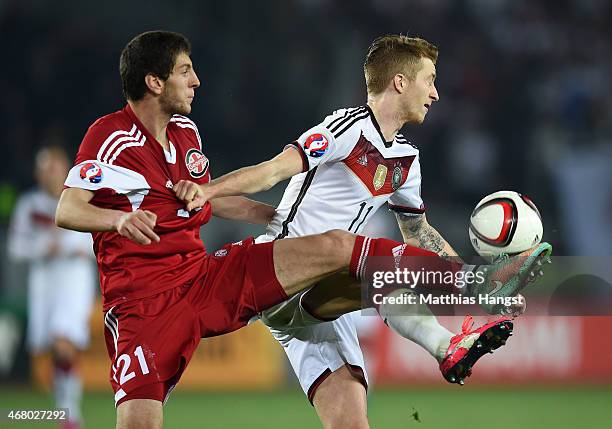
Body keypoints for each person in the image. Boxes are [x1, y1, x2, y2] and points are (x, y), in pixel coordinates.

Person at [55, 31, 550, 429]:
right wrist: (124, 216)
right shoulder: (343, 128)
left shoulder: (407, 163)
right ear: (400, 82)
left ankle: (450, 340)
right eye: (430, 80)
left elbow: (415, 233)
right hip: (255, 276)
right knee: (355, 256)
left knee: (353, 416)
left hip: (260, 283)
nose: (437, 92)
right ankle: (472, 289)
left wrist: (245, 208)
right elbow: (273, 169)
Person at [8, 145, 96, 429]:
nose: (51, 174)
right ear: (38, 173)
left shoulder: (81, 199)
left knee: (62, 341)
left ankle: (69, 414)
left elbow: (99, 240)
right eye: (46, 169)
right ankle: (66, 410)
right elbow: (16, 248)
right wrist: (44, 248)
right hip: (44, 282)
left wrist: (84, 251)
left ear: (65, 169)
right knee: (54, 349)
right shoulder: (29, 205)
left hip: (74, 278)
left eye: (56, 168)